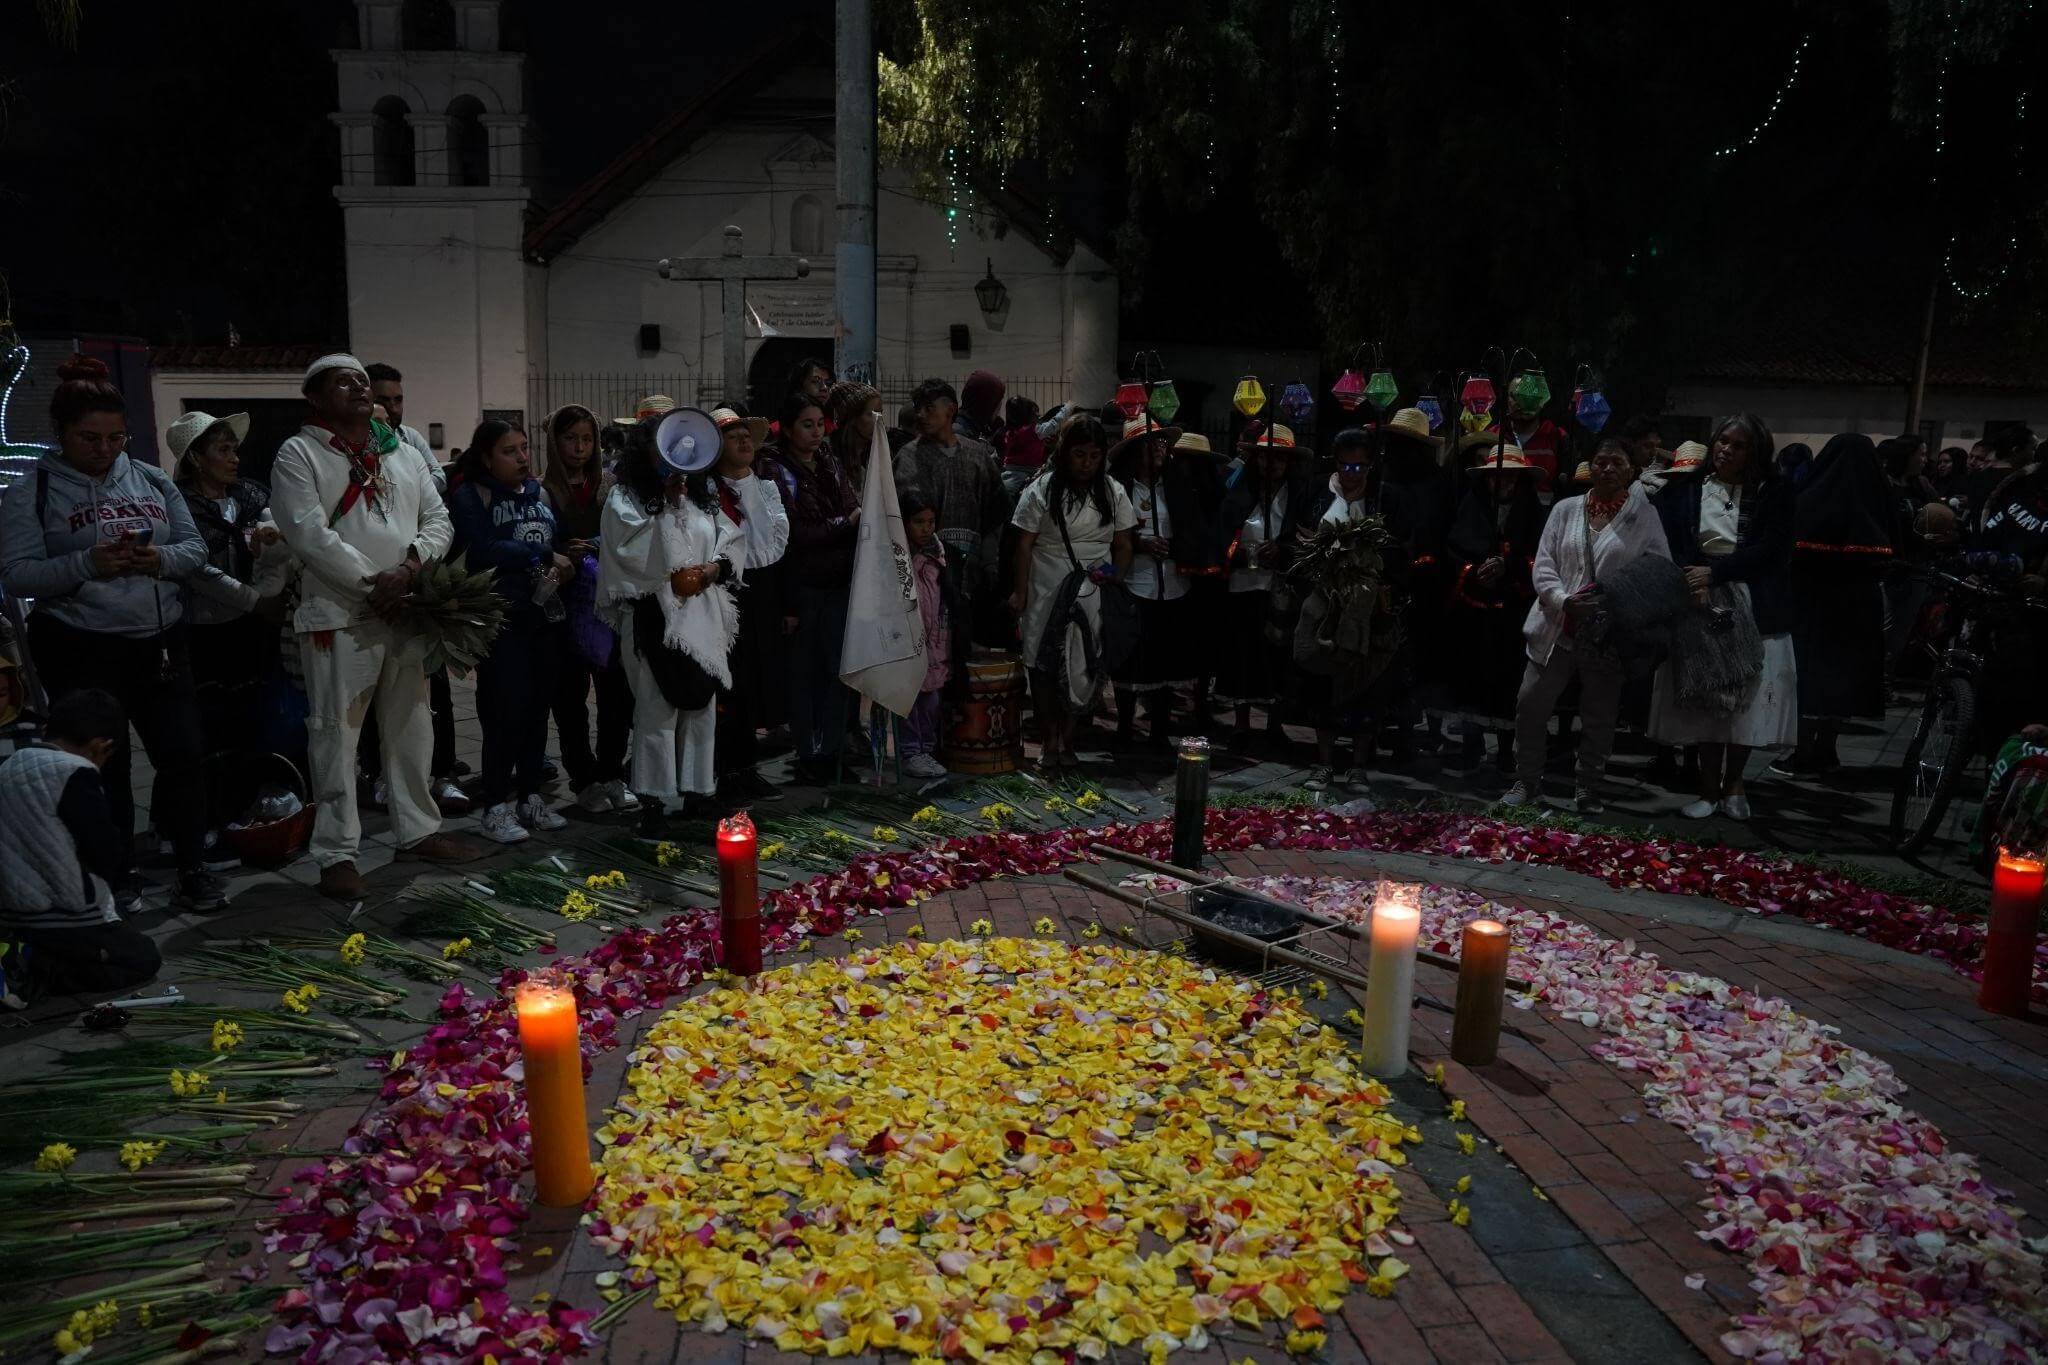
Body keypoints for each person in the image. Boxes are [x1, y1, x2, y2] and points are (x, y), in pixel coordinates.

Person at [0, 356, 225, 913]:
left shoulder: (148, 477)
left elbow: (194, 550)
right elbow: (15, 573)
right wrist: (87, 563)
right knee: (108, 761)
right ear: (60, 434)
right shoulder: (34, 490)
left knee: (184, 754)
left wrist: (158, 561)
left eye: (115, 437)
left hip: (161, 639)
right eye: (89, 438)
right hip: (82, 643)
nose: (104, 449)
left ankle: (192, 865)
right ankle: (117, 872)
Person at [270, 354, 478, 900]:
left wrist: (409, 568)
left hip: (404, 606)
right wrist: (376, 584)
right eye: (344, 382)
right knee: (336, 733)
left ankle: (418, 829)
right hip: (340, 616)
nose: (360, 388)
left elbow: (439, 520)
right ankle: (337, 853)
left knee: (413, 721)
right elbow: (308, 535)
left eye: (363, 380)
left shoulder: (403, 451)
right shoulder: (300, 453)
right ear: (315, 398)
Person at [1503, 438, 1671, 810]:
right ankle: (1527, 781)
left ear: (1630, 470)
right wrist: (1564, 600)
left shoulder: (1644, 517)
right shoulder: (1565, 509)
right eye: (1600, 461)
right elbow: (1544, 562)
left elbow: (1658, 570)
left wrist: (1615, 603)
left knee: (1599, 713)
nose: (1607, 469)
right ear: (1589, 467)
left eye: (1617, 463)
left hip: (1607, 633)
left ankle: (1589, 785)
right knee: (1530, 704)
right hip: (1555, 624)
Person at [1649, 413, 1797, 820]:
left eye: (1737, 444)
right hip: (1696, 595)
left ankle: (1735, 783)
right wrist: (1688, 576)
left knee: (1744, 697)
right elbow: (1663, 537)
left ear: (1755, 452)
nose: (1725, 450)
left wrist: (1719, 572)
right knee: (1704, 694)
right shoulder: (1689, 487)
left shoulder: (1773, 493)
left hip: (1750, 597)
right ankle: (1707, 788)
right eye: (1721, 441)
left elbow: (1773, 549)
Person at [598, 412, 742, 825]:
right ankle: (654, 800)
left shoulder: (701, 499)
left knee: (701, 710)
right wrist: (663, 504)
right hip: (651, 615)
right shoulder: (625, 499)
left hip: (701, 618)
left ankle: (699, 792)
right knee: (656, 711)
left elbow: (730, 538)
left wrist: (713, 569)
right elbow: (627, 550)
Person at [168, 410, 290, 859]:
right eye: (223, 450)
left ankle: (245, 812)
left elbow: (274, 522)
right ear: (196, 459)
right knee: (206, 731)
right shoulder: (180, 506)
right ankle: (203, 824)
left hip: (250, 631)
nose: (234, 457)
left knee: (250, 722)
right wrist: (257, 601)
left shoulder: (249, 494)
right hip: (204, 630)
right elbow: (198, 571)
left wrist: (270, 535)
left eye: (234, 448)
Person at [449, 419, 573, 844]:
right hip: (501, 619)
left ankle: (529, 797)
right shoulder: (471, 495)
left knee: (538, 710)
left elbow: (560, 539)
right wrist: (542, 552)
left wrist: (567, 558)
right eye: (510, 451)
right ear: (486, 457)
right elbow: (482, 548)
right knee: (504, 712)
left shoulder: (539, 493)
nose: (522, 457)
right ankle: (495, 805)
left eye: (524, 448)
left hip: (543, 616)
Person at [0, 690, 163, 998]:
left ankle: (32, 954)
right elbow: (102, 847)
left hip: (15, 913)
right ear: (100, 747)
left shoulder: (11, 764)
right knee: (143, 956)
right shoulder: (75, 772)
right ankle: (39, 973)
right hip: (62, 915)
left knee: (118, 934)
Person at [1008, 414, 1137, 770]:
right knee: (1043, 662)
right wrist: (1021, 592)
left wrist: (1114, 577)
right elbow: (1024, 546)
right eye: (1080, 454)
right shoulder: (1042, 489)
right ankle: (1049, 741)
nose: (1087, 463)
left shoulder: (1113, 491)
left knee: (1083, 663)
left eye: (1095, 456)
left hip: (1092, 589)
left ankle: (1068, 739)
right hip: (1047, 584)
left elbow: (1124, 544)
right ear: (1065, 452)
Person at [1774, 433, 1897, 776]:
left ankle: (1801, 751)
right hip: (1859, 605)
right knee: (1843, 679)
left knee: (1809, 678)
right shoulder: (1880, 499)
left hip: (1813, 602)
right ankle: (1827, 750)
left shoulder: (1811, 495)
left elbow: (1789, 548)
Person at [757, 391, 860, 783]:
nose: (816, 433)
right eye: (807, 424)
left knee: (837, 668)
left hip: (837, 580)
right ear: (787, 427)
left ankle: (831, 751)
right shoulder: (774, 469)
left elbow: (851, 504)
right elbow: (794, 532)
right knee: (804, 672)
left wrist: (842, 522)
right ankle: (808, 752)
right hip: (801, 585)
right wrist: (843, 523)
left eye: (820, 424)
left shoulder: (829, 461)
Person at [541, 404, 637, 816]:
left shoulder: (610, 486)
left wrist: (597, 545)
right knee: (570, 696)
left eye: (586, 439)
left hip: (609, 601)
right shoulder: (542, 489)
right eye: (570, 439)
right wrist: (560, 552)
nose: (579, 448)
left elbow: (627, 535)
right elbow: (537, 541)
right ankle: (584, 779)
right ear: (554, 442)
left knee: (617, 692)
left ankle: (613, 772)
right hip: (564, 607)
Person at [1440, 447, 1548, 773]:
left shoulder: (1532, 513)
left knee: (1508, 680)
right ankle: (1471, 747)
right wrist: (1473, 570)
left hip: (1513, 608)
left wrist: (1509, 565)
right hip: (1474, 609)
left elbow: (1539, 552)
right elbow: (1455, 547)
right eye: (1496, 476)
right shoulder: (1471, 506)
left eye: (1510, 476)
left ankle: (1505, 750)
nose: (1502, 482)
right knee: (1470, 678)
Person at [1213, 428, 1314, 750]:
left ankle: (1274, 724)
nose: (1271, 464)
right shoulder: (1239, 493)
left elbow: (1307, 538)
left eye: (1279, 457)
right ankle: (1241, 723)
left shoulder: (1299, 496)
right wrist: (1238, 553)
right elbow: (1222, 534)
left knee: (1278, 656)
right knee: (1243, 653)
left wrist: (1283, 551)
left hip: (1281, 586)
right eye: (1265, 456)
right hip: (1244, 586)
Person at [710, 406, 790, 801]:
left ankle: (746, 766)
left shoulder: (766, 488)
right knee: (729, 683)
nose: (744, 441)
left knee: (756, 678)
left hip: (761, 589)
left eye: (746, 434)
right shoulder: (707, 492)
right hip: (724, 591)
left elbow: (772, 547)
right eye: (732, 435)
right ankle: (724, 769)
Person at [1107, 414, 1200, 750]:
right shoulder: (1119, 488)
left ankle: (1160, 730)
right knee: (1132, 659)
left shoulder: (1175, 485)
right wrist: (1139, 543)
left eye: (1161, 442)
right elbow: (1109, 532)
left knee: (1165, 660)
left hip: (1172, 583)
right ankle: (1124, 726)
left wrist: (1175, 547)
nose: (1159, 449)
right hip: (1135, 581)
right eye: (1150, 443)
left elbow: (1190, 527)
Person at [894, 379, 1007, 620]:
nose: (921, 415)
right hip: (923, 569)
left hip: (971, 568)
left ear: (951, 409)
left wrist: (989, 560)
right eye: (918, 408)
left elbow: (996, 512)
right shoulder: (907, 459)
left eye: (929, 408)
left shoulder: (978, 456)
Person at [899, 490, 957, 780]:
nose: (925, 528)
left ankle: (928, 749)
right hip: (909, 636)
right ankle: (911, 751)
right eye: (918, 522)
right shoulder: (898, 555)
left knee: (931, 698)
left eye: (931, 521)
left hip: (935, 635)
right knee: (910, 696)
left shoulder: (938, 553)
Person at [364, 363, 445, 491]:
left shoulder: (410, 436)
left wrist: (405, 491)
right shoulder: (355, 442)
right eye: (383, 401)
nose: (394, 408)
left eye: (398, 400)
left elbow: (440, 478)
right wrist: (419, 477)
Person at [825, 381, 883, 493]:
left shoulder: (876, 452)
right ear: (851, 418)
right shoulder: (827, 453)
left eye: (880, 413)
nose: (878, 420)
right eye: (871, 414)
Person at [956, 369, 1007, 447]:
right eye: (998, 401)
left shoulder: (973, 429)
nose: (999, 407)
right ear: (988, 404)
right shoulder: (960, 436)